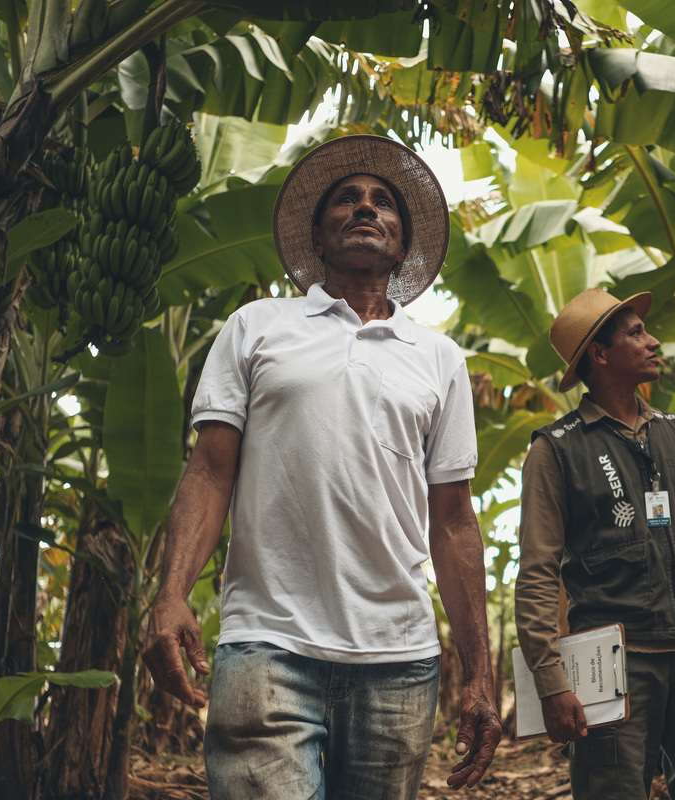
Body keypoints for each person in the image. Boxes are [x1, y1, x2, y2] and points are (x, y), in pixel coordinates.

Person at [142, 135, 500, 799]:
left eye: (383, 202)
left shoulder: (439, 357)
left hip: (400, 659)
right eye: (347, 199)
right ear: (317, 230)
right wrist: (171, 593)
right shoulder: (256, 327)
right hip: (266, 643)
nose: (366, 208)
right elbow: (210, 471)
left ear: (402, 242)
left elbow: (452, 520)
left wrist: (479, 672)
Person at [514, 288, 675, 800]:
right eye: (635, 332)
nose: (653, 340)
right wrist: (551, 681)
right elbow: (536, 572)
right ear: (599, 354)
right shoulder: (556, 450)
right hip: (613, 668)